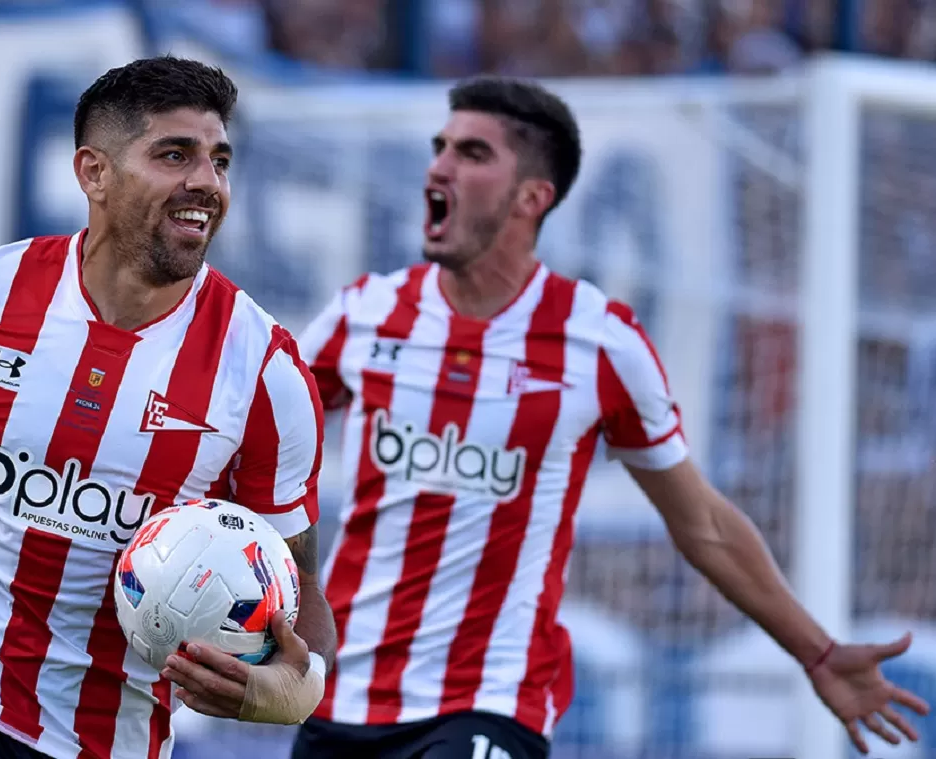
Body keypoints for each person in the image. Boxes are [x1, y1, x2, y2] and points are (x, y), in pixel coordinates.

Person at [291, 75, 930, 759]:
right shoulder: (363, 313)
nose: (439, 166)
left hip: (487, 702)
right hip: (339, 698)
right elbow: (261, 439)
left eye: (471, 153)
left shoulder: (597, 340)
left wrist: (816, 651)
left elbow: (702, 522)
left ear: (531, 197)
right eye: (440, 147)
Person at [0, 55, 337, 759]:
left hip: (117, 733)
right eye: (175, 155)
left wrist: (293, 685)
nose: (207, 182)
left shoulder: (265, 370)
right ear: (92, 172)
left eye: (219, 160)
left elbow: (298, 591)